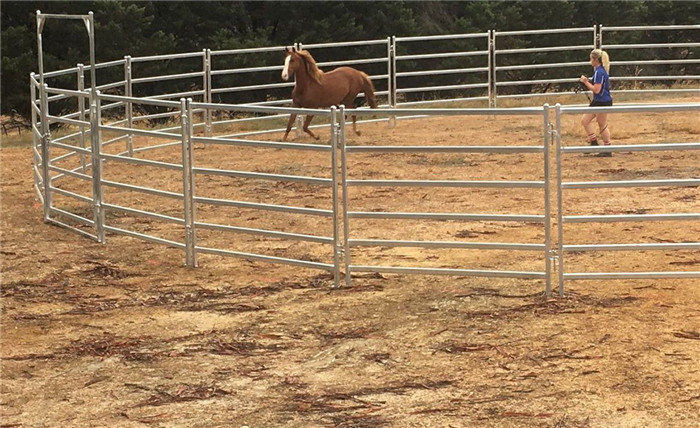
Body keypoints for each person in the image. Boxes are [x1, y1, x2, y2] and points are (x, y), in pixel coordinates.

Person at [579, 49, 613, 157]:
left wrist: (585, 82)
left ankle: (607, 148)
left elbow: (596, 89)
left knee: (602, 124)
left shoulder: (599, 72)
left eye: (591, 59)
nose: (590, 61)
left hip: (602, 101)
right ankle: (594, 141)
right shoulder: (599, 71)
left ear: (595, 60)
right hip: (599, 100)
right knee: (585, 120)